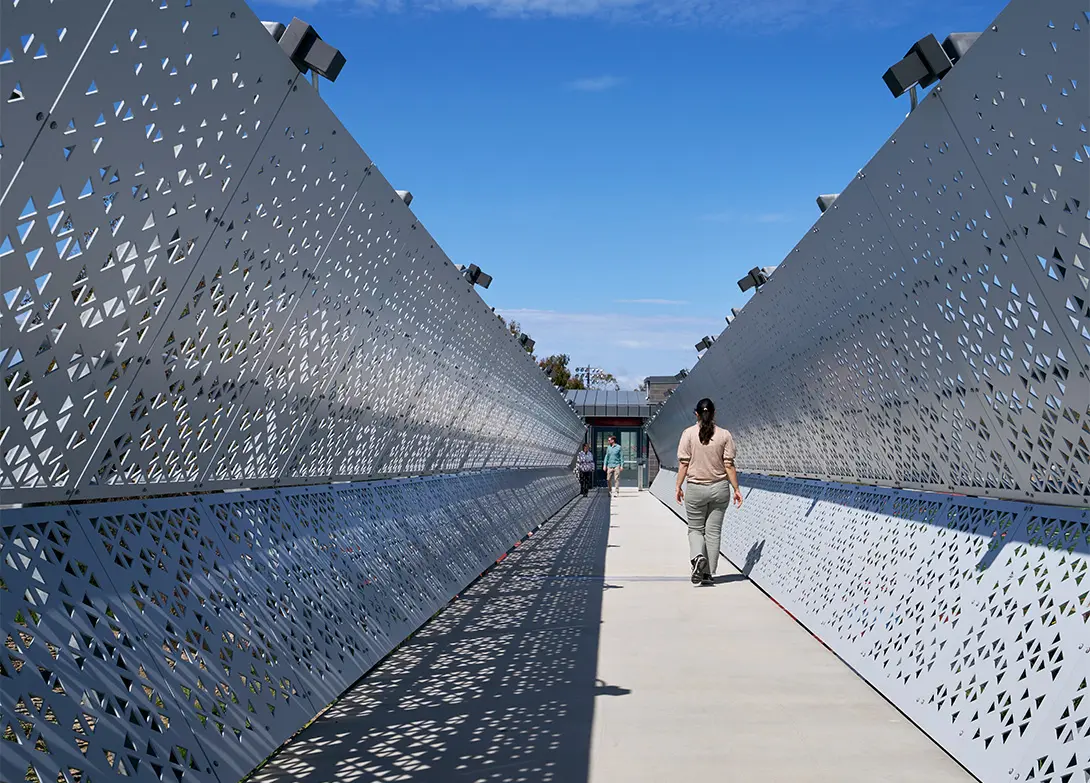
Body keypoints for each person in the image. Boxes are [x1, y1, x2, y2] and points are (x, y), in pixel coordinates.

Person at [675, 398, 742, 586]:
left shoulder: (688, 434)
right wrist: (736, 489)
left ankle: (698, 558)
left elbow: (683, 464)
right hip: (720, 488)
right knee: (713, 532)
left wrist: (678, 486)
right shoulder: (724, 435)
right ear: (714, 413)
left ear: (696, 414)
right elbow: (729, 465)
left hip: (696, 488)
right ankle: (708, 574)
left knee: (696, 529)